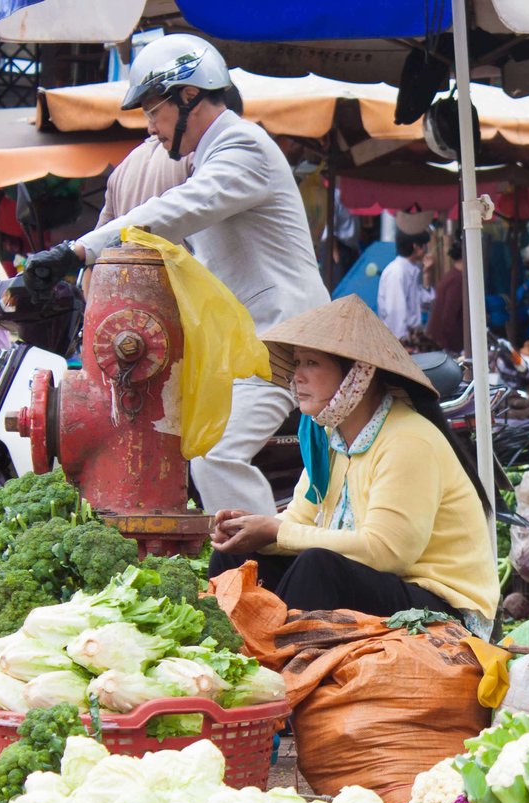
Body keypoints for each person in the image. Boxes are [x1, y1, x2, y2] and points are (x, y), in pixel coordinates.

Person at [21, 34, 330, 517]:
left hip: (284, 338)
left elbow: (175, 210)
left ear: (189, 96)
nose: (150, 127)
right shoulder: (210, 154)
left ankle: (267, 572)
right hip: (255, 343)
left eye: (152, 110)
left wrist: (76, 250)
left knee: (215, 453)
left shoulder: (242, 147)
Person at [208, 295, 499, 632]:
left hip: (443, 609)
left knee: (319, 567)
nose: (297, 376)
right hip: (384, 586)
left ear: (356, 374)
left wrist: (277, 531)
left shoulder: (407, 440)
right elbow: (301, 518)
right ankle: (236, 653)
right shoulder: (330, 440)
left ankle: (277, 663)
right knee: (236, 560)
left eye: (311, 363)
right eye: (298, 362)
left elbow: (386, 551)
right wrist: (251, 530)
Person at [377, 226, 437, 343]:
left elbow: (425, 304)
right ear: (416, 247)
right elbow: (395, 313)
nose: (427, 250)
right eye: (425, 245)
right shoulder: (397, 272)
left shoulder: (410, 270)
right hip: (401, 342)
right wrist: (403, 344)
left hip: (411, 338)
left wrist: (427, 275)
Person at [426, 241, 467, 355]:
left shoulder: (452, 275)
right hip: (444, 344)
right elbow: (449, 316)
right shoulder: (458, 280)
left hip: (440, 341)